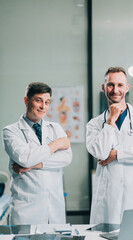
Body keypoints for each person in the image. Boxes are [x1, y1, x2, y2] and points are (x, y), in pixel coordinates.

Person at [86, 67, 133, 224]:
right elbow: (100, 152)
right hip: (108, 199)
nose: (115, 90)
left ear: (127, 88)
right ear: (103, 88)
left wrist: (117, 154)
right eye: (110, 85)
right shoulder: (94, 124)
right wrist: (110, 120)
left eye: (120, 85)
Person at [3, 82, 72, 225]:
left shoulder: (55, 128)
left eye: (47, 102)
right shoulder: (10, 131)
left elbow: (66, 158)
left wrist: (36, 165)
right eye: (38, 100)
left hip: (54, 210)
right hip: (26, 212)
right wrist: (57, 144)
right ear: (26, 101)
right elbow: (25, 158)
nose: (43, 107)